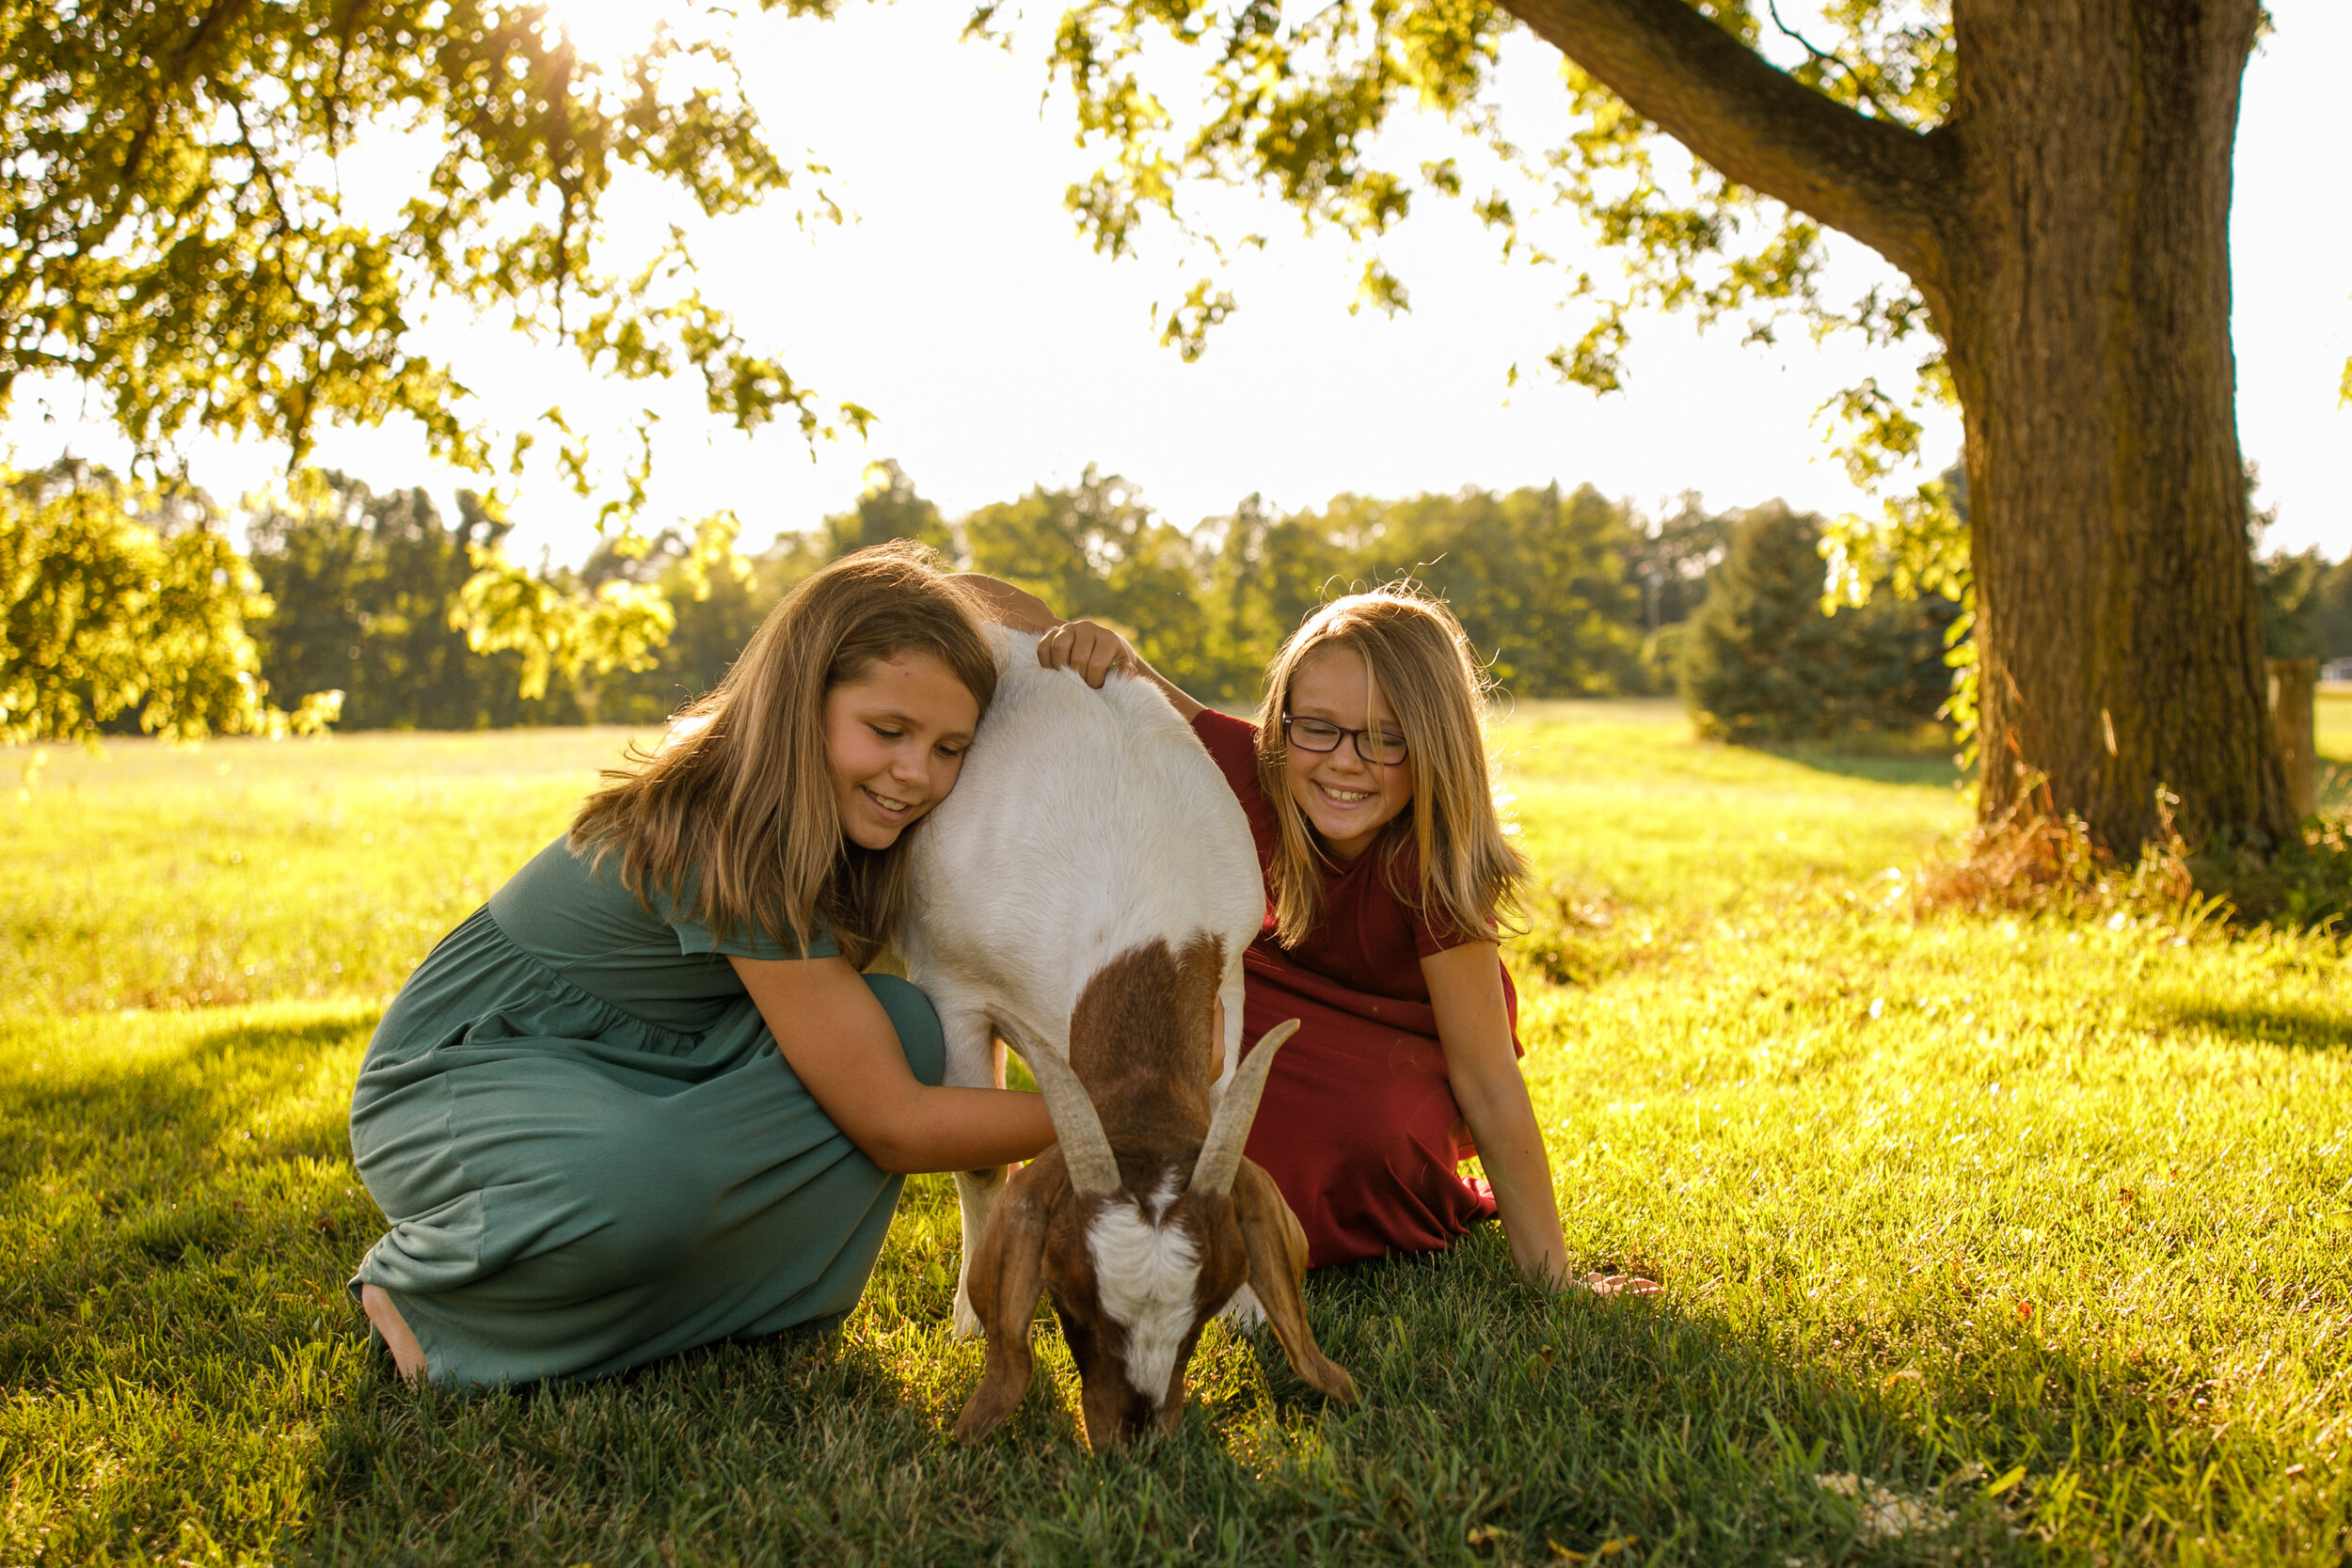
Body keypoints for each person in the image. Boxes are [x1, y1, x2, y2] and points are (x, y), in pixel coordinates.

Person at [348, 546, 1056, 1386]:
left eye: (950, 748)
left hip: (662, 1066)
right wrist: (1112, 1118)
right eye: (887, 731)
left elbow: (970, 603)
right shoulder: (725, 828)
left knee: (905, 1028)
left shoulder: (857, 827)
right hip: (462, 1078)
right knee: (645, 1178)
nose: (917, 773)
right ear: (799, 702)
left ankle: (718, 1304)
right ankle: (423, 1298)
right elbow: (894, 1125)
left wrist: (1074, 645)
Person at [964, 576, 1654, 1294]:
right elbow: (1017, 610)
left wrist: (1552, 1274)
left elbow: (1487, 1080)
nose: (1345, 761)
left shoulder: (1434, 862)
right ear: (1282, 720)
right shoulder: (1250, 770)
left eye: (1386, 739)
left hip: (1395, 1052)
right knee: (1161, 1037)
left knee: (1360, 1134)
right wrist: (1091, 637)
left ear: (1435, 745)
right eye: (1317, 727)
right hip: (1262, 1004)